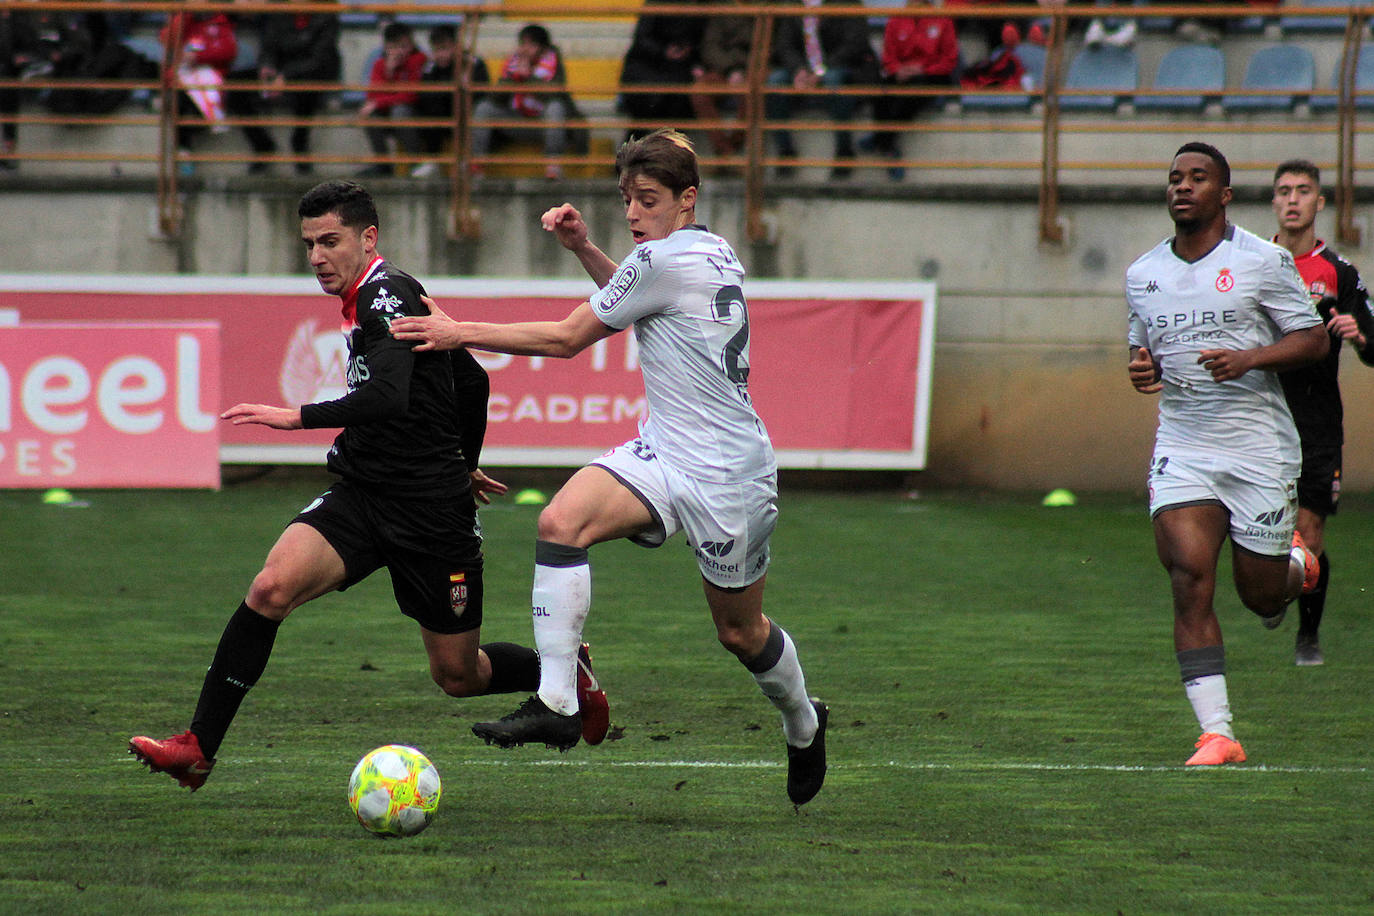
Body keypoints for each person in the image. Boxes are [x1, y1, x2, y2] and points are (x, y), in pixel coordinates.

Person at [390, 129, 828, 805]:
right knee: (560, 523)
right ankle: (557, 702)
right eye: (626, 199)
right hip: (665, 451)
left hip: (728, 475)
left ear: (686, 199)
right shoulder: (710, 249)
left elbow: (569, 338)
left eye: (647, 200)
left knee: (741, 632)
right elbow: (643, 292)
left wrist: (457, 332)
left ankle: (803, 720)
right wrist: (585, 249)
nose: (632, 213)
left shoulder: (661, 260)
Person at [129, 179, 608, 791]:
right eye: (309, 244)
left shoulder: (388, 294)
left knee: (458, 675)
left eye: (330, 241)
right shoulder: (371, 298)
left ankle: (564, 673)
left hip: (431, 514)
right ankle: (197, 749)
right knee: (270, 589)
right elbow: (472, 381)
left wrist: (297, 416)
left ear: (368, 238)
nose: (317, 257)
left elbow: (387, 396)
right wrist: (465, 461)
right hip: (363, 494)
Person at [1125, 142, 1327, 767]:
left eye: (1198, 177)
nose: (1182, 186)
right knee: (1188, 575)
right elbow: (1143, 348)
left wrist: (1249, 359)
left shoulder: (1262, 260)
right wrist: (1142, 368)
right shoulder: (1142, 273)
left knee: (1261, 596)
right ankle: (1218, 733)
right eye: (1175, 178)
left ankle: (1296, 566)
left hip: (1258, 448)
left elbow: (1313, 340)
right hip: (1184, 443)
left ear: (1225, 194)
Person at [1269, 159, 1374, 667]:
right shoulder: (1250, 263)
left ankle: (1307, 637)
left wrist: (1362, 336)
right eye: (1284, 191)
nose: (1293, 200)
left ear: (1319, 202)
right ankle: (1269, 588)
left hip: (1316, 423)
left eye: (1303, 190)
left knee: (1308, 534)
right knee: (1262, 531)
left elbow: (1373, 341)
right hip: (1260, 417)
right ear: (1274, 201)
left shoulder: (1339, 272)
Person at [766, 0, 880, 179]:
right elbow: (784, 45)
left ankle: (844, 151)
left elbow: (854, 44)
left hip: (840, 66)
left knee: (832, 81)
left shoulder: (848, 3)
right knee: (774, 82)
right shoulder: (793, 5)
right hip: (802, 68)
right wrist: (799, 70)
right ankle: (785, 152)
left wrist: (820, 70)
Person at [234, 0, 342, 176]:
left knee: (307, 87)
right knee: (237, 86)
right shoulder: (280, 15)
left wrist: (285, 76)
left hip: (313, 72)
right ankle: (261, 144)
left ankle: (300, 143)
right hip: (282, 69)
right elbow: (269, 46)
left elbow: (319, 59)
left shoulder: (327, 17)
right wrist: (267, 67)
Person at [469, 24, 577, 181]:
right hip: (515, 120)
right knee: (483, 108)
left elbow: (556, 94)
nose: (525, 49)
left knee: (555, 108)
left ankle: (554, 166)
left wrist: (529, 77)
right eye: (523, 44)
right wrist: (513, 78)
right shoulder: (512, 63)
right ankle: (476, 166)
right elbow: (494, 97)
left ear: (543, 48)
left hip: (543, 124)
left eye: (531, 44)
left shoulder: (554, 63)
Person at [871, 0, 959, 181]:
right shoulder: (896, 20)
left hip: (932, 75)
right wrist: (898, 70)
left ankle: (882, 139)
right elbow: (888, 57)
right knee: (880, 92)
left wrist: (923, 69)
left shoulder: (943, 20)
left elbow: (948, 60)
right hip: (903, 74)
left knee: (916, 90)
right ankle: (885, 141)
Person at [160, 2, 239, 173]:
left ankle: (185, 146)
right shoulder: (186, 21)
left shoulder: (220, 22)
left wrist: (199, 57)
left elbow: (229, 51)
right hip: (185, 78)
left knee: (197, 109)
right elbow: (167, 39)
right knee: (178, 102)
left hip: (213, 78)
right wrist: (183, 15)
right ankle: (184, 150)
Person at [618, 0, 706, 139]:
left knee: (676, 101)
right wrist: (663, 51)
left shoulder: (699, 8)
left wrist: (690, 54)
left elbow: (702, 41)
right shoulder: (656, 4)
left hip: (677, 72)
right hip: (648, 70)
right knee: (647, 104)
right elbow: (642, 39)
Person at [412, 23, 489, 178]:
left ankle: (469, 162)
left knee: (471, 108)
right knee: (429, 107)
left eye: (445, 49)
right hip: (443, 114)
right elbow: (424, 95)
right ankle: (431, 161)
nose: (441, 54)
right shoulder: (431, 67)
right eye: (436, 50)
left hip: (467, 112)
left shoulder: (473, 63)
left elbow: (482, 93)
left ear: (456, 46)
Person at [358, 21, 427, 177]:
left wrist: (379, 102)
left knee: (399, 111)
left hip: (416, 113)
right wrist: (388, 71)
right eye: (395, 47)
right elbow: (371, 96)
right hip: (388, 113)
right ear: (386, 47)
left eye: (404, 46)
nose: (400, 51)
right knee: (370, 115)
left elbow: (410, 96)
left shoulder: (418, 60)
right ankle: (383, 165)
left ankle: (416, 164)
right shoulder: (380, 64)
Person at [690, 0, 750, 159]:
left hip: (755, 70)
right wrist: (730, 69)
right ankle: (726, 152)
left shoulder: (769, 7)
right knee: (699, 92)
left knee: (753, 93)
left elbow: (768, 48)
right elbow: (710, 46)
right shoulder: (723, 8)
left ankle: (732, 148)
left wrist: (742, 70)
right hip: (723, 68)